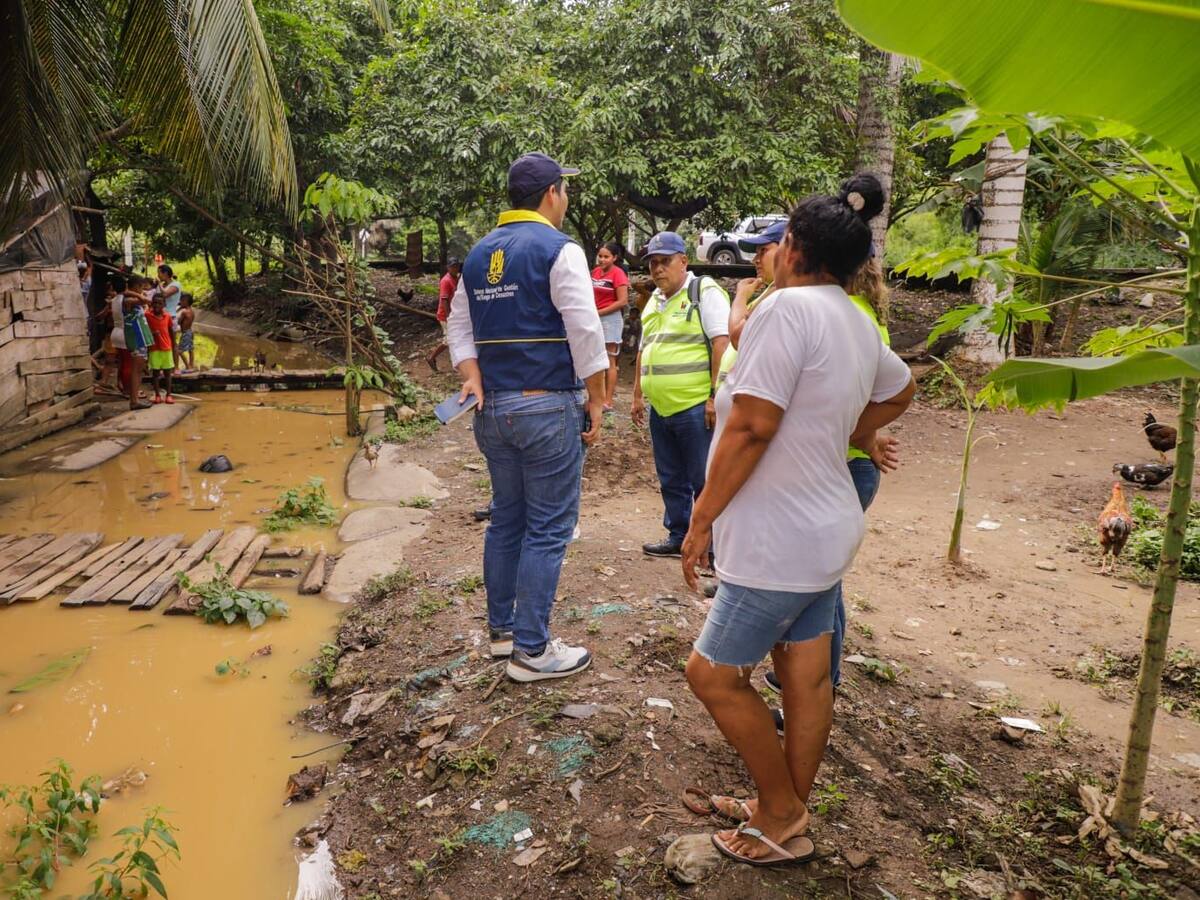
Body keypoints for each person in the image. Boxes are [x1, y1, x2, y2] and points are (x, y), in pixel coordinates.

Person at [680, 174, 915, 867]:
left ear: (793, 247)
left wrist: (701, 518)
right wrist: (847, 431)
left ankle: (780, 811)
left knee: (712, 676)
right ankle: (784, 812)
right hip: (826, 529)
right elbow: (902, 387)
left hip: (777, 539)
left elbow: (751, 426)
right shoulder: (855, 318)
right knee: (806, 678)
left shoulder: (785, 310)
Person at [447, 151, 608, 683]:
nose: (567, 198)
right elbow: (585, 329)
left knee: (507, 519)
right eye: (565, 189)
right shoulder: (560, 249)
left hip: (492, 410)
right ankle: (532, 652)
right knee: (548, 527)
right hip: (546, 406)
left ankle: (503, 634)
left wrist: (471, 375)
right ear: (552, 194)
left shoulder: (478, 254)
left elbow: (458, 326)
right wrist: (597, 399)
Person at [631, 232, 729, 558]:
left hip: (694, 406)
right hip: (660, 408)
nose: (658, 269)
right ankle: (678, 535)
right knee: (670, 477)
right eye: (653, 263)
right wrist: (637, 394)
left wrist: (714, 396)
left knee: (704, 479)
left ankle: (712, 546)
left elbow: (721, 343)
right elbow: (644, 349)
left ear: (683, 261)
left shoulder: (703, 292)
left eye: (665, 261)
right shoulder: (655, 300)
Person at [591, 241, 630, 411]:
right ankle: (596, 397)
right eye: (600, 256)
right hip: (595, 318)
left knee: (609, 360)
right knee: (595, 359)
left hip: (610, 319)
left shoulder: (618, 274)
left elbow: (622, 301)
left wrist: (600, 312)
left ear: (614, 258)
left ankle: (608, 400)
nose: (602, 259)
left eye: (606, 256)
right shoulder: (595, 272)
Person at [122, 277, 154, 410]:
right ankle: (134, 401)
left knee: (139, 369)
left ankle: (135, 399)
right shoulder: (128, 300)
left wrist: (135, 293)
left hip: (140, 337)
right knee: (136, 370)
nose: (143, 290)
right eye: (141, 287)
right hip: (135, 337)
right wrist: (136, 294)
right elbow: (146, 300)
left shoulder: (133, 299)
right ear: (136, 287)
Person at [427, 258, 462, 372]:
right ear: (448, 267)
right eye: (453, 266)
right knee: (448, 339)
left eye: (456, 266)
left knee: (455, 338)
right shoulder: (446, 281)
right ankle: (431, 357)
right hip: (445, 315)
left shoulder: (456, 278)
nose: (455, 268)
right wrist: (448, 317)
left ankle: (457, 361)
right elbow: (444, 300)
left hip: (454, 313)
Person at [144, 293, 176, 403]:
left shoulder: (167, 316)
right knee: (156, 373)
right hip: (154, 348)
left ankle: (169, 395)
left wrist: (174, 345)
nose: (157, 305)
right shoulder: (147, 315)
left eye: (160, 303)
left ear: (164, 305)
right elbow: (144, 330)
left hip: (166, 348)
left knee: (168, 373)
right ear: (152, 303)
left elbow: (171, 331)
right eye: (155, 303)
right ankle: (157, 395)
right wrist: (152, 334)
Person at [177, 293, 196, 372]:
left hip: (185, 333)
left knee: (179, 351)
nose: (180, 302)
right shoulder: (192, 311)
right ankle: (191, 365)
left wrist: (178, 310)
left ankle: (187, 366)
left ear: (186, 302)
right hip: (190, 332)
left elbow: (178, 322)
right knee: (191, 349)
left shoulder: (184, 311)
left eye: (181, 301)